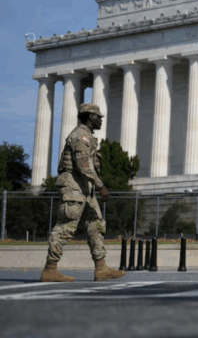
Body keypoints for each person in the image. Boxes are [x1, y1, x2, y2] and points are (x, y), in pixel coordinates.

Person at [40, 103, 126, 282]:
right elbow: (83, 164)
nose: (101, 120)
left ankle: (101, 268)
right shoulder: (80, 136)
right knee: (66, 227)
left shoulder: (88, 136)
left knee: (96, 224)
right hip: (74, 186)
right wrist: (101, 185)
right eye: (98, 117)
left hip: (85, 188)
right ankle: (50, 269)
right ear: (90, 117)